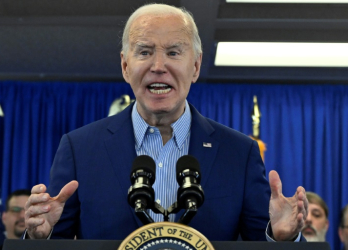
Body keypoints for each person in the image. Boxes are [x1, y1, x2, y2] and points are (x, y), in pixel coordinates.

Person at [24, 3, 308, 242]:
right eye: (145, 52)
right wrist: (40, 236)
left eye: (173, 52)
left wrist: (282, 237)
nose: (158, 65)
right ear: (125, 66)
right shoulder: (80, 148)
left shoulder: (239, 152)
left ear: (195, 66)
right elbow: (55, 242)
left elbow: (260, 241)